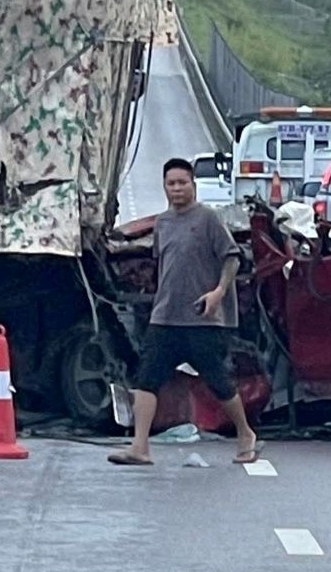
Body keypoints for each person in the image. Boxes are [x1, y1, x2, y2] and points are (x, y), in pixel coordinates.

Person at [108, 159, 258, 465]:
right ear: (164, 187)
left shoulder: (208, 219)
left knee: (218, 381)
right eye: (171, 184)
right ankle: (140, 446)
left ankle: (246, 434)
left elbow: (232, 259)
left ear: (193, 185)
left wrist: (218, 293)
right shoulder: (162, 223)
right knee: (146, 380)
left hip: (202, 318)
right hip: (165, 317)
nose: (177, 189)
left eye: (182, 183)